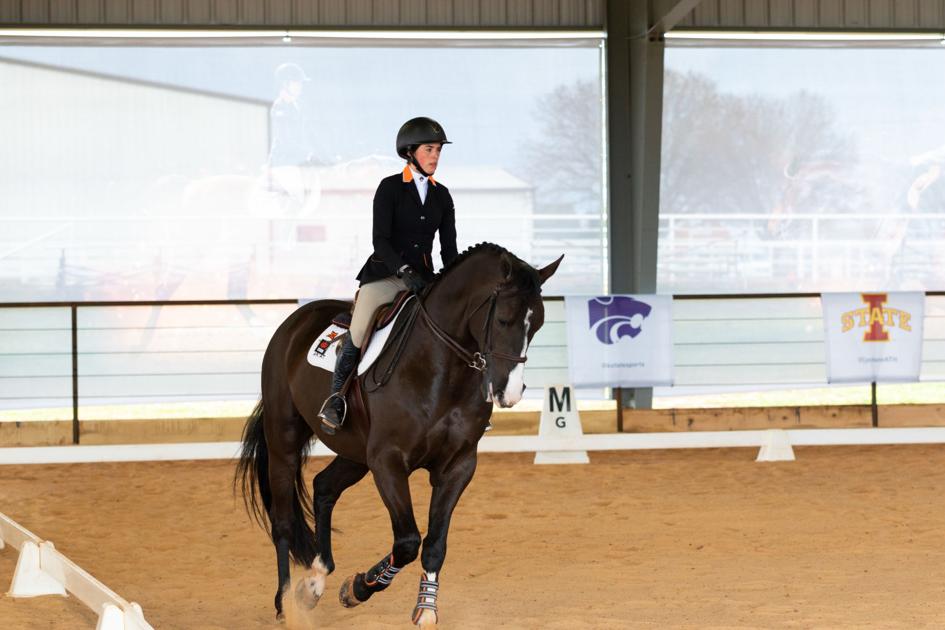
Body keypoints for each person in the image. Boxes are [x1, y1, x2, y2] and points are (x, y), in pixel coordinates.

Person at [318, 117, 459, 434]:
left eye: (438, 150)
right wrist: (404, 270)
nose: (435, 156)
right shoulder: (390, 188)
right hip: (385, 276)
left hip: (423, 279)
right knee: (359, 328)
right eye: (429, 149)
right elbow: (379, 240)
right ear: (411, 152)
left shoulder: (442, 196)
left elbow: (448, 248)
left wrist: (452, 281)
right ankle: (336, 399)